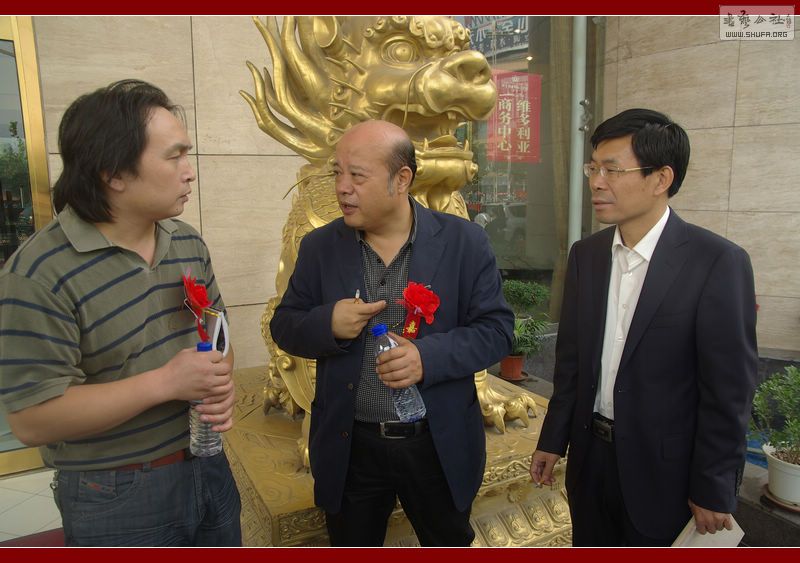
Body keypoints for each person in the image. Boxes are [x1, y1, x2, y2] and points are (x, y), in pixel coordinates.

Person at [0, 80, 241, 546]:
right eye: (174, 157)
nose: (189, 173)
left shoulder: (186, 241)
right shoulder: (39, 274)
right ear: (114, 173)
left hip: (207, 462)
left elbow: (219, 336)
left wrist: (216, 383)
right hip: (114, 492)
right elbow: (32, 420)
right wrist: (166, 382)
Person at [270, 119, 513, 546]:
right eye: (337, 173)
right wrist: (328, 324)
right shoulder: (320, 248)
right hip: (351, 447)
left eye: (357, 176)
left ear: (401, 179)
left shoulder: (464, 242)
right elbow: (285, 325)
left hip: (436, 446)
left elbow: (497, 331)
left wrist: (427, 358)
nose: (342, 188)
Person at [529, 108, 758, 546]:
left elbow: (729, 389)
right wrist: (553, 439)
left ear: (660, 179)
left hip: (666, 475)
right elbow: (571, 363)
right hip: (591, 461)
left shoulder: (716, 262)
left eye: (612, 170)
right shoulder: (586, 255)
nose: (596, 182)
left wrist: (713, 484)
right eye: (593, 168)